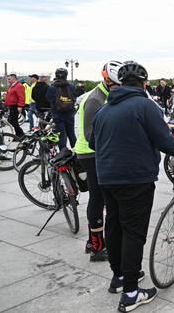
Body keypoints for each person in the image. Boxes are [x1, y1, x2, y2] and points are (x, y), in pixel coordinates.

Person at [90, 61, 174, 312]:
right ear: (144, 83)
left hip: (106, 177)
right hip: (135, 179)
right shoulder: (145, 105)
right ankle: (130, 293)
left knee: (114, 227)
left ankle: (119, 278)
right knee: (134, 232)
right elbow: (165, 142)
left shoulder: (104, 110)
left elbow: (95, 142)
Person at [74, 60, 123, 262]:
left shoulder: (109, 94)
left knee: (101, 197)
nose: (120, 87)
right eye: (116, 84)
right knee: (98, 198)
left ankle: (91, 240)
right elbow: (89, 135)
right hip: (90, 153)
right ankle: (96, 247)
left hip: (99, 151)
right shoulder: (96, 99)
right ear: (106, 79)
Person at [46, 68, 77, 150]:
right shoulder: (71, 86)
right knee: (71, 134)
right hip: (70, 114)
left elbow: (49, 98)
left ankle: (63, 155)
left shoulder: (52, 87)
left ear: (56, 75)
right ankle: (77, 153)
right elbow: (74, 98)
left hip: (57, 114)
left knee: (61, 135)